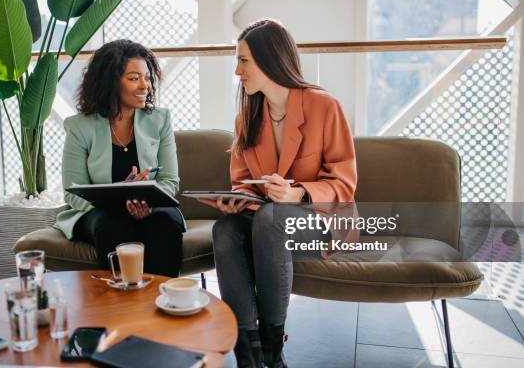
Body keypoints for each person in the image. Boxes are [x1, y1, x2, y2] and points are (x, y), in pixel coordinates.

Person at [198, 19, 358, 368]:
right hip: (264, 219)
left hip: (321, 220)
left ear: (270, 61)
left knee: (273, 219)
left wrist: (297, 194)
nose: (237, 71)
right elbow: (242, 181)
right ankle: (248, 354)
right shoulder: (247, 117)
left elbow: (344, 185)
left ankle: (273, 352)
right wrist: (235, 200)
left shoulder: (323, 106)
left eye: (244, 61)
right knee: (225, 230)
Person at [54, 39, 184, 278]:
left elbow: (170, 181)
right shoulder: (80, 127)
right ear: (110, 83)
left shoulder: (160, 119)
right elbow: (73, 191)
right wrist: (119, 200)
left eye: (147, 77)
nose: (145, 85)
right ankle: (122, 307)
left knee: (165, 222)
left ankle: (163, 299)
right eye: (134, 78)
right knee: (112, 224)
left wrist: (148, 202)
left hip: (151, 209)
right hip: (99, 213)